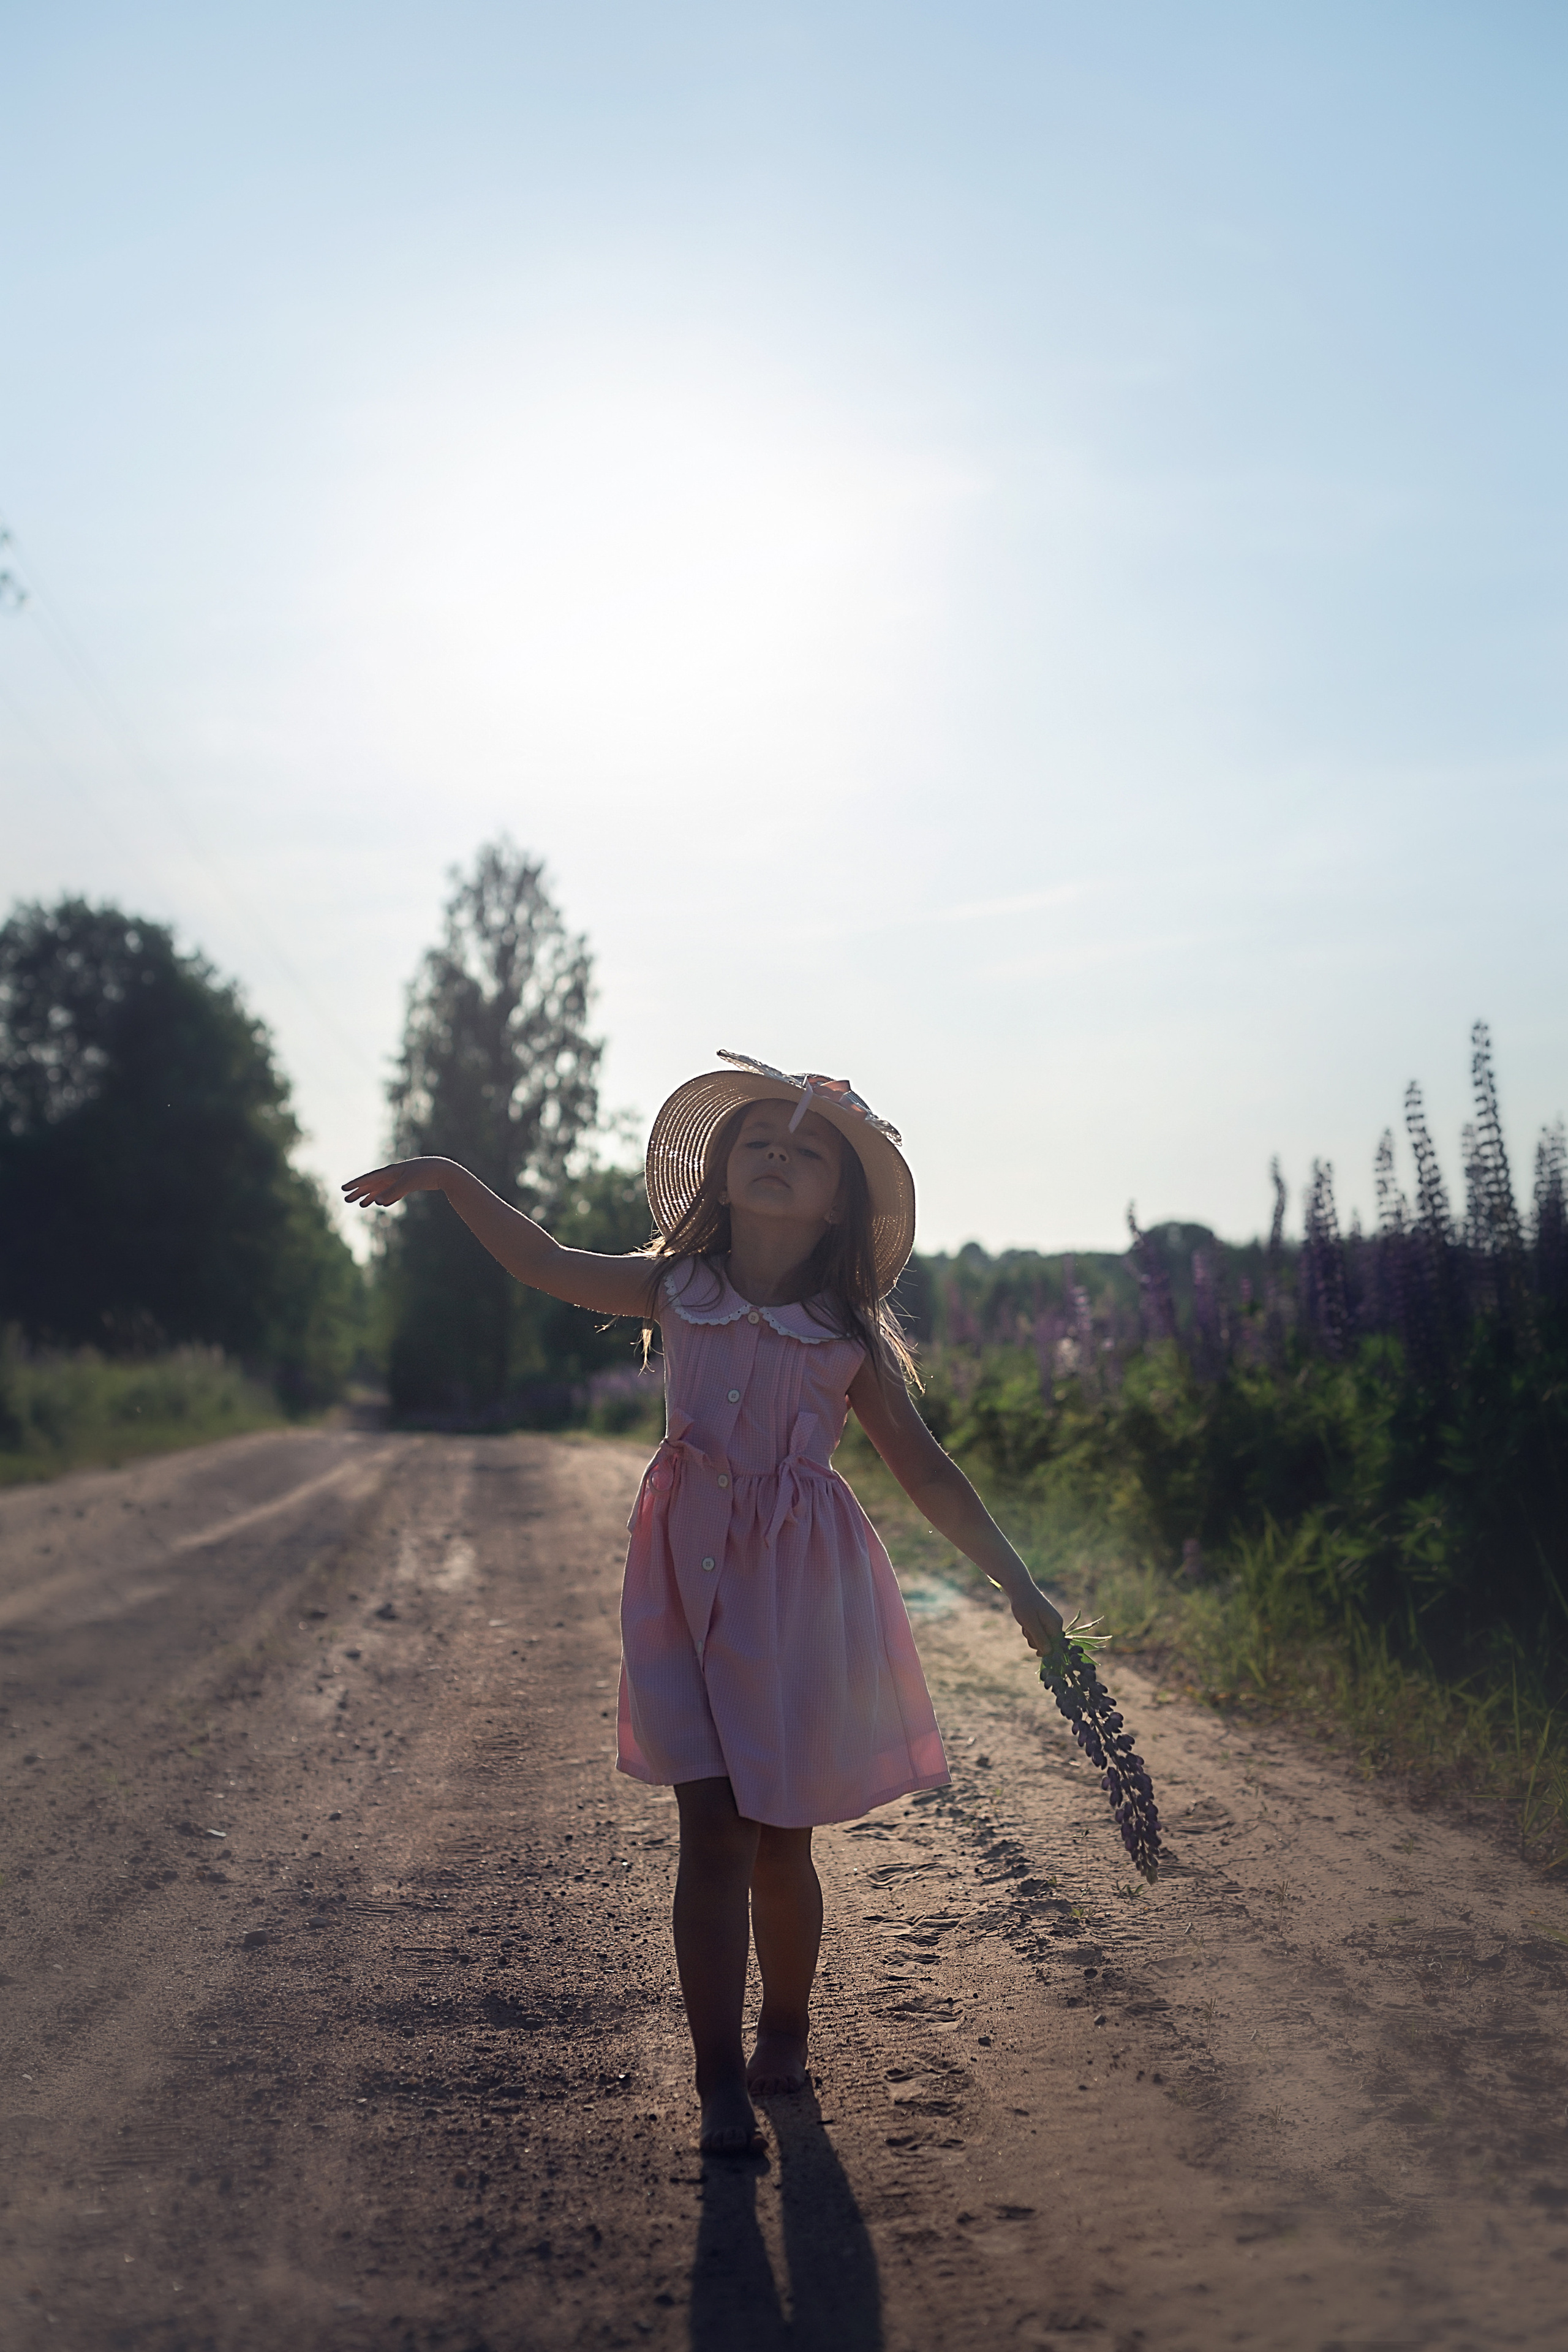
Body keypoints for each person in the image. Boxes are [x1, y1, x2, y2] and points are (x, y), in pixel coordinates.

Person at [343, 1050, 1064, 2155]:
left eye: (808, 1150)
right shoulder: (673, 1288)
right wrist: (447, 1176)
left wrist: (1024, 1586)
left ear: (836, 1205)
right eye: (759, 1145)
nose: (779, 1156)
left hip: (798, 1600)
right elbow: (539, 1259)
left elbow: (927, 1473)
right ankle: (717, 2078)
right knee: (713, 1830)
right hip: (685, 1585)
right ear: (722, 1180)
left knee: (783, 1844)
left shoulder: (847, 1339)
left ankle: (787, 2020)